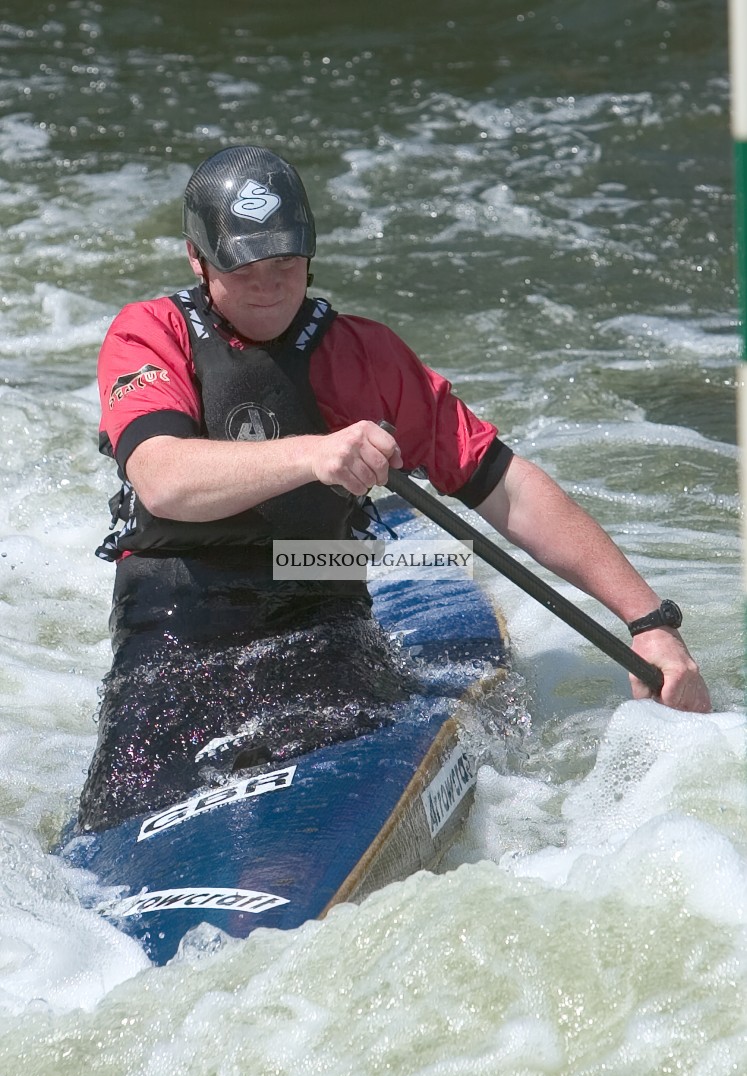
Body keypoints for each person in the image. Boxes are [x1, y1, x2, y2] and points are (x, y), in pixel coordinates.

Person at [78, 145, 711, 833]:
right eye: (242, 265)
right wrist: (316, 454)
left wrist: (649, 625)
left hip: (315, 596)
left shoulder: (369, 357)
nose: (268, 284)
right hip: (176, 612)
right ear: (197, 259)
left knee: (337, 749)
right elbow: (164, 478)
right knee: (121, 807)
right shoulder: (150, 333)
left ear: (310, 252)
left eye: (284, 261)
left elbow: (507, 489)